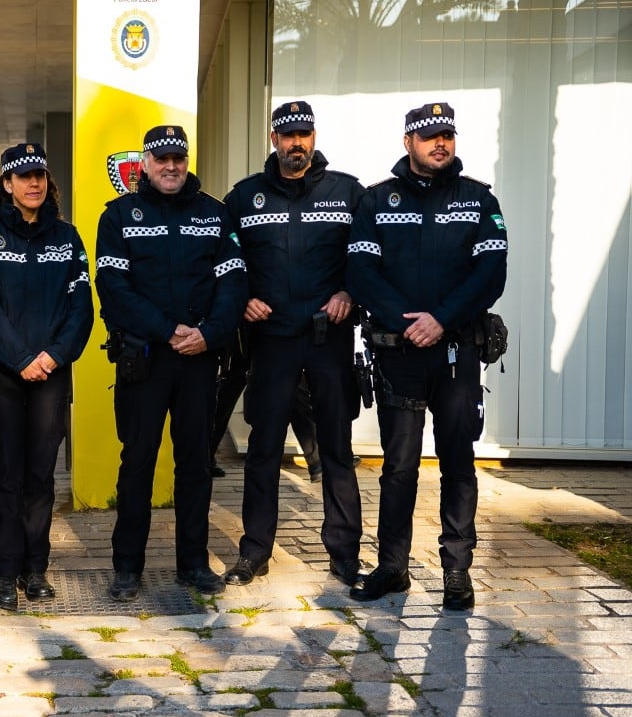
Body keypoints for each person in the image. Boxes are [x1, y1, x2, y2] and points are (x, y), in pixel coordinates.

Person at [346, 102, 508, 611]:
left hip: (458, 353)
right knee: (398, 468)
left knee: (459, 462)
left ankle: (457, 573)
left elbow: (491, 273)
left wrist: (439, 319)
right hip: (399, 356)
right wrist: (406, 323)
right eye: (429, 135)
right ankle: (392, 568)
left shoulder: (479, 200)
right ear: (407, 141)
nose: (440, 143)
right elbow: (362, 274)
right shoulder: (376, 201)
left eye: (447, 135)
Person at [94, 124, 247, 602]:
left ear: (186, 160)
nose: (171, 166)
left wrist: (209, 333)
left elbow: (234, 284)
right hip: (145, 359)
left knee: (196, 464)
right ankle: (127, 568)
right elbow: (113, 290)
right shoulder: (118, 216)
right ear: (144, 164)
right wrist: (168, 330)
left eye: (178, 157)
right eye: (161, 158)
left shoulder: (214, 214)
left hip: (200, 359)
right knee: (137, 462)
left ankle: (193, 564)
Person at [221, 101, 365, 588]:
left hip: (329, 339)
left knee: (337, 449)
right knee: (263, 449)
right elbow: (224, 263)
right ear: (273, 138)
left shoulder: (347, 192)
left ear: (314, 136)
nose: (296, 142)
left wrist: (350, 292)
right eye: (288, 134)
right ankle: (254, 552)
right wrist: (242, 299)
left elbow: (367, 257)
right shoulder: (244, 197)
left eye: (304, 133)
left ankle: (344, 554)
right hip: (272, 342)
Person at [0, 144, 94, 611]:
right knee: (6, 475)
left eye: (40, 175)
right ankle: (5, 574)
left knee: (41, 476)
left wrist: (53, 356)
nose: (33, 183)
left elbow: (81, 307)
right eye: (23, 177)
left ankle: (35, 570)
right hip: (4, 375)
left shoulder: (68, 237)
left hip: (52, 374)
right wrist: (21, 357)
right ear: (6, 184)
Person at [210, 336, 323, 481]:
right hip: (252, 333)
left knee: (229, 390)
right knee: (228, 391)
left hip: (259, 333)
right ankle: (317, 461)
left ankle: (317, 460)